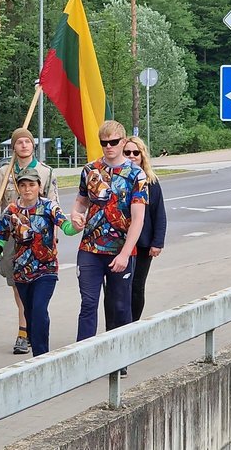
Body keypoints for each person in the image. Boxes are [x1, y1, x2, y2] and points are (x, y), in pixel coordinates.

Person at [0, 167, 80, 356]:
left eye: (32, 185)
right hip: (21, 271)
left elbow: (67, 228)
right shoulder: (11, 211)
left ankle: (41, 356)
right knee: (30, 315)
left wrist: (77, 226)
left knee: (39, 310)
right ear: (18, 188)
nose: (27, 189)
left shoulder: (49, 207)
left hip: (46, 269)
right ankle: (36, 350)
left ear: (39, 187)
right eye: (23, 185)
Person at [0, 128, 58, 354]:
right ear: (13, 147)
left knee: (39, 289)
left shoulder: (45, 172)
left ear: (33, 145)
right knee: (17, 281)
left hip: (40, 238)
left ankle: (29, 329)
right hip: (13, 235)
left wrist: (55, 238)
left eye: (27, 141)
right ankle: (24, 328)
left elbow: (54, 206)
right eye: (19, 142)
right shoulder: (6, 172)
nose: (23, 145)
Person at [70, 120, 148, 345]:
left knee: (120, 305)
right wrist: (76, 215)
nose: (109, 147)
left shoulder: (136, 175)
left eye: (114, 142)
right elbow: (81, 201)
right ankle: (82, 355)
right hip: (90, 248)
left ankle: (120, 358)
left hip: (120, 250)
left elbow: (138, 218)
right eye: (104, 143)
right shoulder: (90, 170)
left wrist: (125, 254)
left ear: (123, 141)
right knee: (88, 304)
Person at [122, 136, 167, 321]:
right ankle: (118, 325)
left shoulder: (151, 182)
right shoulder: (116, 179)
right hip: (118, 243)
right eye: (127, 152)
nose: (132, 156)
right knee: (118, 287)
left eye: (136, 152)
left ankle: (134, 323)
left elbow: (159, 214)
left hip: (143, 245)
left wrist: (157, 242)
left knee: (136, 285)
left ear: (142, 156)